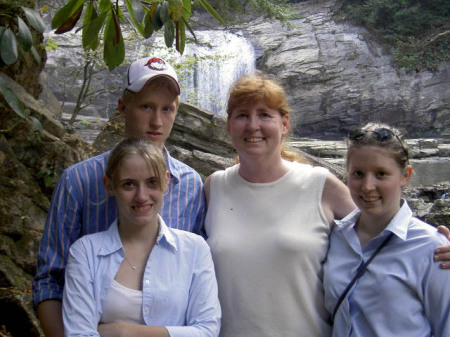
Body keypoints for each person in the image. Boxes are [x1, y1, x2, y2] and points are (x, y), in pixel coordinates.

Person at [203, 72, 450, 337]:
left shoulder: (320, 185)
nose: (253, 125)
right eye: (242, 115)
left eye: (265, 115)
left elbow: (383, 226)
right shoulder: (213, 188)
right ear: (228, 125)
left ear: (284, 123)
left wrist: (437, 243)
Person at [33, 57, 206, 337]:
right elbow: (50, 279)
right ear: (123, 108)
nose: (157, 121)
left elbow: (198, 284)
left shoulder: (190, 185)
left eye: (167, 109)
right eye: (146, 107)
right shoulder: (78, 182)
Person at [62, 137, 220, 337]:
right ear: (109, 185)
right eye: (129, 184)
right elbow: (78, 333)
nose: (142, 196)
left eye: (152, 182)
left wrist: (125, 331)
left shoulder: (195, 249)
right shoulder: (85, 252)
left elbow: (207, 330)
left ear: (165, 181)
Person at [323, 123, 450, 337]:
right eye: (358, 173)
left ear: (405, 176)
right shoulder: (335, 237)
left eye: (381, 174)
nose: (368, 186)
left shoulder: (433, 249)